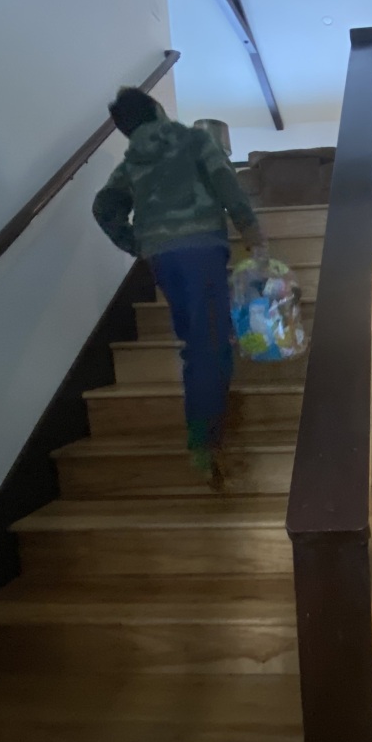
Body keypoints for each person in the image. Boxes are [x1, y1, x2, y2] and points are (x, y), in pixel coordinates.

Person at [92, 87, 266, 483]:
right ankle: (205, 440)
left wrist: (138, 244)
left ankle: (207, 427)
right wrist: (254, 236)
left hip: (163, 259)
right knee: (211, 344)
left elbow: (104, 207)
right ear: (157, 109)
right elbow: (227, 185)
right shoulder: (195, 140)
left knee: (197, 342)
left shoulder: (131, 162)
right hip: (202, 248)